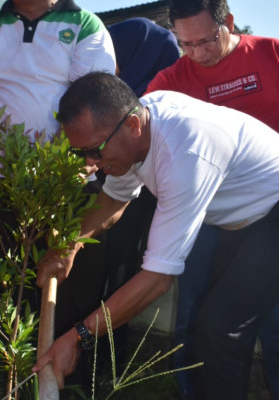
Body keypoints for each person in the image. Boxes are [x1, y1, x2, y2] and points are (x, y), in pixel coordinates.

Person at [33, 71, 279, 400]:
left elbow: (157, 279)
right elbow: (113, 200)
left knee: (218, 329)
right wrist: (70, 246)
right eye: (82, 154)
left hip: (272, 211)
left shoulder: (185, 153)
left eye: (95, 151)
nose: (91, 164)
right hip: (243, 217)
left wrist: (78, 337)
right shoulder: (134, 132)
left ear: (133, 125)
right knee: (215, 329)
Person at [0, 0, 115, 387]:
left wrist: (63, 169)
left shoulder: (85, 25)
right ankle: (1, 384)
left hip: (67, 183)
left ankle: (64, 387)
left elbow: (97, 104)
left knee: (72, 295)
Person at [145, 1, 279, 397]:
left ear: (230, 23)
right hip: (206, 214)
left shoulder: (270, 53)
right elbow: (137, 128)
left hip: (271, 208)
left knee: (272, 321)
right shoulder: (171, 79)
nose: (198, 54)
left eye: (206, 40)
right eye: (186, 44)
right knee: (194, 318)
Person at [100, 16, 180, 371]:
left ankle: (104, 361)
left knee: (122, 270)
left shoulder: (157, 50)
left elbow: (158, 278)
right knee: (99, 266)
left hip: (145, 180)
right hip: (117, 174)